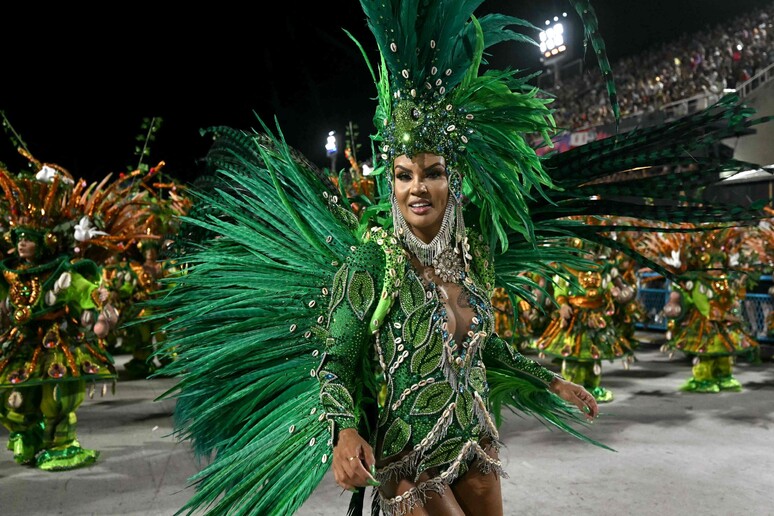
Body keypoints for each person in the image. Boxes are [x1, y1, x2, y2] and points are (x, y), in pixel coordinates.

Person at [149, 1, 770, 515]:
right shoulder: (372, 265)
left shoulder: (469, 260)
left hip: (473, 438)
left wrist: (549, 378)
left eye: (432, 171)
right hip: (406, 454)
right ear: (389, 187)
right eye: (402, 175)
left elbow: (486, 347)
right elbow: (335, 358)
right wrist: (343, 428)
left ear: (453, 181)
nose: (417, 186)